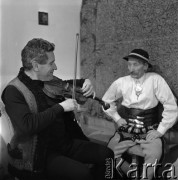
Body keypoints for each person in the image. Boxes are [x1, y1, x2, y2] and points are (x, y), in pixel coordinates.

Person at [1, 38, 114, 180]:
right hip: (40, 153)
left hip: (64, 143)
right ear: (36, 66)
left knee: (107, 155)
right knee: (82, 174)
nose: (55, 67)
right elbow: (27, 125)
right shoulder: (13, 91)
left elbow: (69, 84)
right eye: (51, 63)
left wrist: (86, 82)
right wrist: (60, 107)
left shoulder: (50, 81)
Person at [102, 49, 178, 179]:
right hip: (126, 132)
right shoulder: (122, 82)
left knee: (155, 153)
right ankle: (131, 175)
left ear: (146, 66)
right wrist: (117, 118)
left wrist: (160, 130)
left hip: (148, 132)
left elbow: (171, 105)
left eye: (135, 64)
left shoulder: (155, 79)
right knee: (108, 153)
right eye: (129, 64)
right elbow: (106, 101)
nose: (131, 69)